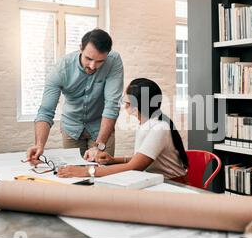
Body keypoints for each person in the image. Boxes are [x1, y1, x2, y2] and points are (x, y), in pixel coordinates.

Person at [57, 78, 189, 183]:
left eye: (127, 99)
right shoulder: (146, 124)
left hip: (173, 185)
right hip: (156, 182)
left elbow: (135, 167)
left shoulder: (158, 128)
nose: (124, 103)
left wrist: (86, 172)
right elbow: (141, 160)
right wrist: (112, 160)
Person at [25, 29, 123, 166]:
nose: (93, 66)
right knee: (75, 176)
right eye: (88, 59)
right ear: (80, 49)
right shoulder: (61, 69)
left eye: (100, 61)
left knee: (102, 174)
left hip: (101, 128)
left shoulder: (113, 61)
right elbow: (46, 111)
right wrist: (39, 145)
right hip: (71, 129)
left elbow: (112, 105)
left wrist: (98, 146)